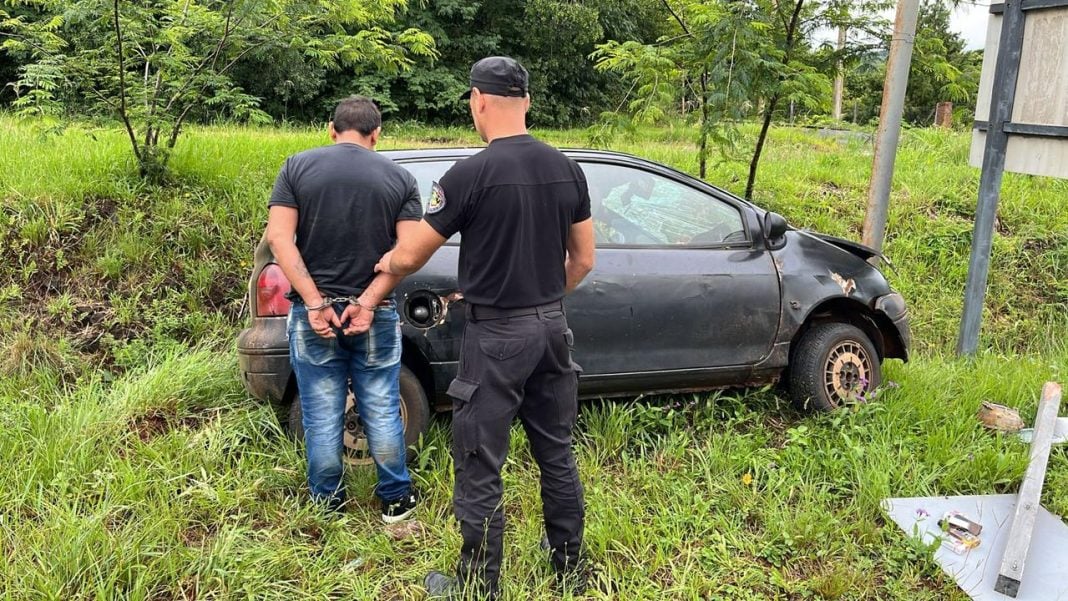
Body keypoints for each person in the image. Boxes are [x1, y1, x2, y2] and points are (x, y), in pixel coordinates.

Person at [375, 56, 596, 599]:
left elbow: (411, 255)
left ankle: (478, 584)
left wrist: (383, 266)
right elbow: (584, 260)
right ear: (527, 102)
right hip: (552, 330)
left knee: (479, 459)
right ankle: (570, 568)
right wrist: (542, 304)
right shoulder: (567, 169)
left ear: (477, 100)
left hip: (497, 338)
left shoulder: (469, 175)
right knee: (556, 452)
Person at [264, 95, 421, 523]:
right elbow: (408, 253)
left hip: (312, 316)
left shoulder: (296, 167)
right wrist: (367, 303)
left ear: (331, 130)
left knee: (320, 409)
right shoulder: (400, 178)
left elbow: (279, 240)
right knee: (382, 406)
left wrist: (315, 303)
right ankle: (395, 501)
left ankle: (327, 504)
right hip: (375, 312)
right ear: (377, 134)